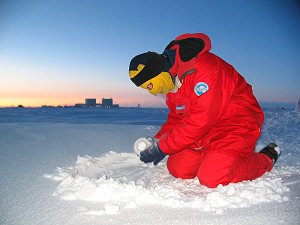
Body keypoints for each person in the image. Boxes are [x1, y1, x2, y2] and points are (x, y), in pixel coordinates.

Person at [128, 33, 280, 188]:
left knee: (212, 177)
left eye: (150, 86)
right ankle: (215, 156)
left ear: (157, 72)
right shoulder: (172, 83)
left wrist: (163, 147)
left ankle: (266, 157)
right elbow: (177, 118)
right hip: (207, 131)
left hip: (237, 123)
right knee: (178, 169)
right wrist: (157, 141)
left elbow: (202, 119)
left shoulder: (206, 67)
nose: (152, 92)